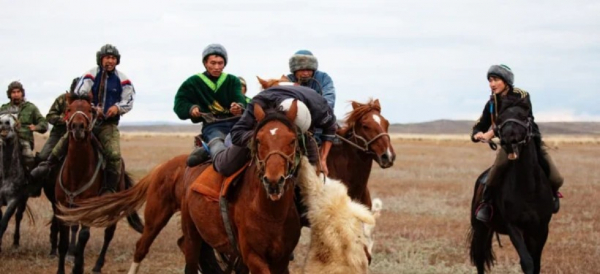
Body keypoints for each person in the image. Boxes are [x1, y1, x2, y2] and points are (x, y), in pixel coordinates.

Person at [31, 44, 136, 194]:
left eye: (113, 58)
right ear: (101, 59)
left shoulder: (123, 80)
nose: (110, 61)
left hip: (108, 125)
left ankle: (109, 189)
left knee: (113, 155)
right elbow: (80, 93)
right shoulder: (90, 75)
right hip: (90, 122)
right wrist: (92, 108)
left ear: (117, 61)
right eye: (107, 57)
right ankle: (46, 165)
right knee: (66, 140)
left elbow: (129, 100)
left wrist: (117, 108)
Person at [472, 64, 563, 222]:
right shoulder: (492, 102)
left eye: (495, 80)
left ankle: (552, 197)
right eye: (489, 81)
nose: (491, 84)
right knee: (497, 170)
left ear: (506, 80)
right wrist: (477, 134)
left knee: (556, 178)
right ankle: (487, 203)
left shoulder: (521, 95)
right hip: (508, 145)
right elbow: (480, 123)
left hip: (530, 142)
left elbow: (509, 117)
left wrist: (491, 133)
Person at [212, 85, 336, 178]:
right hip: (263, 131)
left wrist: (323, 159)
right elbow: (237, 133)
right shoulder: (259, 103)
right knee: (226, 166)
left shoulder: (320, 108)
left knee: (316, 175)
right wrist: (265, 137)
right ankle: (215, 144)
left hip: (303, 135)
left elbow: (330, 128)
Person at [173, 43, 247, 167]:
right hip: (213, 127)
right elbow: (179, 104)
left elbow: (239, 98)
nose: (217, 67)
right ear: (205, 63)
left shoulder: (232, 80)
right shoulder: (193, 82)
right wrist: (191, 109)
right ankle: (210, 153)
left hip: (237, 124)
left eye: (220, 63)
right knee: (221, 152)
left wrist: (238, 107)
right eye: (213, 63)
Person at [0, 81, 48, 170]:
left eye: (18, 92)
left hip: (23, 139)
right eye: (13, 92)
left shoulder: (31, 107)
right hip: (5, 139)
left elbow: (44, 123)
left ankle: (29, 179)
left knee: (28, 156)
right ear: (9, 94)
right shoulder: (3, 108)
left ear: (22, 93)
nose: (16, 94)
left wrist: (36, 127)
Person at [38, 77, 79, 161]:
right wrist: (62, 120)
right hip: (59, 133)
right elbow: (50, 116)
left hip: (80, 134)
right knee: (43, 156)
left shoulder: (86, 102)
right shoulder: (62, 99)